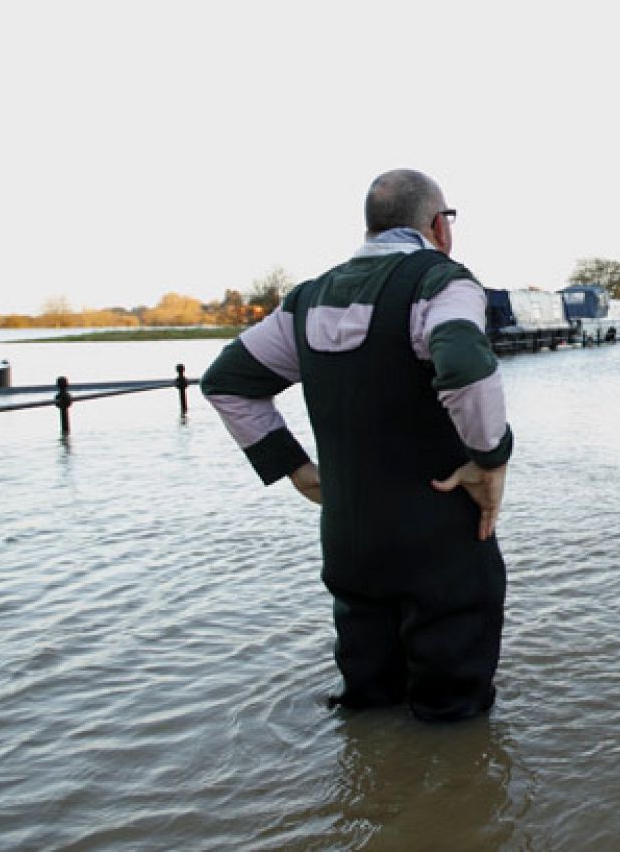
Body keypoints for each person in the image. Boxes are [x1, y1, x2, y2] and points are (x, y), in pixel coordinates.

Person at [202, 169, 512, 721]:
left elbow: (227, 381)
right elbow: (464, 363)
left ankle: (367, 799)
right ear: (439, 226)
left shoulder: (307, 300)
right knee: (454, 718)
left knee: (367, 707)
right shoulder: (441, 282)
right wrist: (490, 461)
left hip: (350, 546)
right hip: (440, 545)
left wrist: (295, 467)